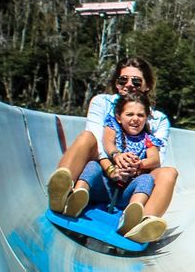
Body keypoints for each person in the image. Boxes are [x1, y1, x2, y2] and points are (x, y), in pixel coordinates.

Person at [46, 57, 177, 243]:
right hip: (103, 172)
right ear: (116, 83)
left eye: (136, 81)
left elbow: (156, 161)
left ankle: (140, 224)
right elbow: (98, 143)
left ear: (147, 85)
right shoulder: (102, 103)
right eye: (123, 80)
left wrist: (134, 167)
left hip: (132, 180)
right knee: (86, 138)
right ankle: (64, 193)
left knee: (169, 173)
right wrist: (113, 164)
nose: (129, 85)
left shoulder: (158, 120)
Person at [59, 92, 164, 241]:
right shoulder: (113, 126)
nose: (135, 119)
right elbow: (107, 142)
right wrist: (117, 155)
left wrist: (139, 164)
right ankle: (78, 196)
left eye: (140, 115)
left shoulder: (148, 140)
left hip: (126, 192)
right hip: (106, 184)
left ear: (146, 117)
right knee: (93, 165)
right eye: (129, 114)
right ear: (119, 117)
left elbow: (155, 159)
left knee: (147, 179)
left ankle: (130, 215)